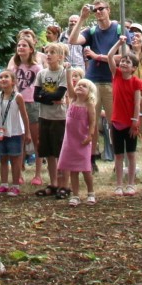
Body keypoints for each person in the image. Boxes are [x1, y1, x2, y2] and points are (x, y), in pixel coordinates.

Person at [71, 0, 120, 163]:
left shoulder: (119, 29)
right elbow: (72, 40)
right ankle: (90, 159)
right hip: (93, 81)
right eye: (96, 10)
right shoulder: (92, 31)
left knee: (115, 122)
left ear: (109, 10)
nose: (98, 12)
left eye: (101, 9)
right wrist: (82, 18)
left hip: (111, 80)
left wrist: (98, 56)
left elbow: (124, 57)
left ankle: (117, 157)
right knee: (91, 120)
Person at [33, 42, 70, 196]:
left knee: (59, 152)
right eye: (47, 52)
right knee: (48, 151)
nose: (48, 55)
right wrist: (49, 99)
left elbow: (59, 95)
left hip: (59, 117)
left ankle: (64, 185)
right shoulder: (41, 74)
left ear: (60, 56)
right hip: (44, 116)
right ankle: (53, 183)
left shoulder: (63, 73)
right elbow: (36, 96)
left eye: (52, 52)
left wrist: (45, 96)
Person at [108, 52, 142, 196]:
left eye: (128, 62)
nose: (123, 63)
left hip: (130, 123)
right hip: (116, 122)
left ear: (134, 68)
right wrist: (119, 43)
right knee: (118, 155)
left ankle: (131, 183)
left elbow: (137, 104)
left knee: (131, 154)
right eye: (123, 60)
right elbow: (110, 56)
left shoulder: (136, 82)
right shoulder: (116, 75)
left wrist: (135, 122)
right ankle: (119, 185)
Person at [57, 73, 98, 207]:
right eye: (79, 85)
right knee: (73, 169)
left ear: (90, 92)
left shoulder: (89, 104)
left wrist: (90, 135)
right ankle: (75, 195)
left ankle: (91, 193)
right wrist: (68, 71)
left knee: (86, 170)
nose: (79, 87)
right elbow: (69, 85)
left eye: (84, 86)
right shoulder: (72, 100)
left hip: (82, 140)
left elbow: (92, 122)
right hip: (70, 141)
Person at [7, 41, 42, 185]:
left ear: (31, 49)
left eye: (24, 46)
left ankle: (38, 174)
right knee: (19, 139)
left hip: (32, 104)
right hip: (16, 104)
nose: (21, 48)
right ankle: (18, 174)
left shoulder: (37, 67)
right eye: (19, 45)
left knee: (36, 140)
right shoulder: (14, 68)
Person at [0, 67, 30, 196]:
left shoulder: (18, 97)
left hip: (15, 132)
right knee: (3, 158)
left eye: (6, 77)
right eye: (1, 77)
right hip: (1, 133)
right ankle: (3, 184)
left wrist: (28, 133)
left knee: (15, 159)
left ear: (13, 81)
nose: (3, 79)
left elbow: (25, 116)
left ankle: (15, 185)